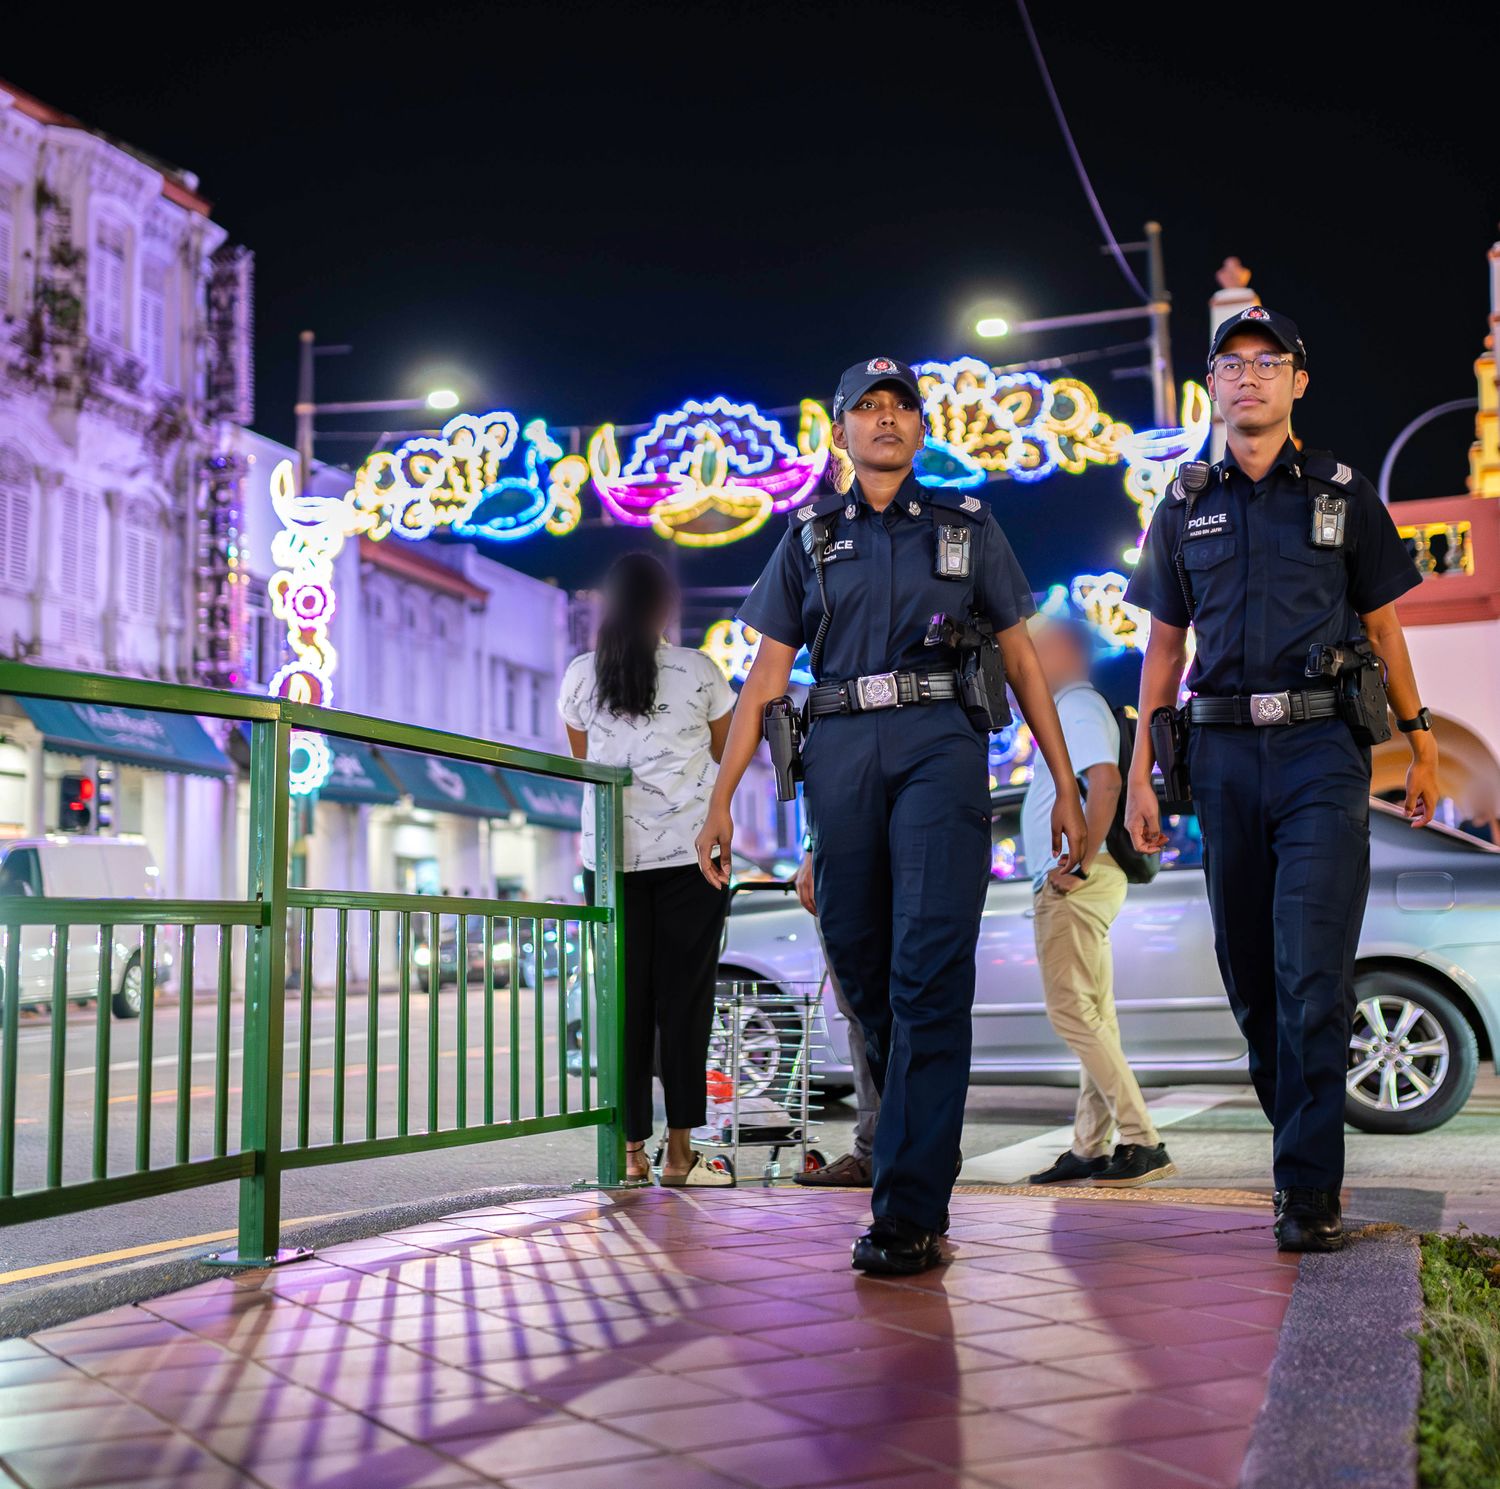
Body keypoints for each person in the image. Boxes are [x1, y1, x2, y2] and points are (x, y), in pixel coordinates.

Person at [696, 356, 1087, 1274]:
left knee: (927, 976)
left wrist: (1062, 780)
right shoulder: (807, 536)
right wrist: (722, 803)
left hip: (938, 745)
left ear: (920, 429)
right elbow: (765, 677)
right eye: (864, 409)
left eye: (899, 407)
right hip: (837, 753)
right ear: (840, 433)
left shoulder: (966, 527)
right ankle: (908, 1149)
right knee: (864, 965)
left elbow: (1025, 663)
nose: (883, 420)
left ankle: (909, 1207)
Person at [1123, 307, 1436, 1252]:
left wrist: (1420, 741)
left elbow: (1385, 628)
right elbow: (1163, 647)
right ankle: (1297, 1132)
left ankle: (1306, 1190)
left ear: (1299, 381)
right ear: (1211, 387)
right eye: (1232, 364)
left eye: (1270, 363)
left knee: (1311, 977)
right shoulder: (1182, 505)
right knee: (1252, 979)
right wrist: (1141, 768)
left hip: (1319, 756)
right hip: (1219, 759)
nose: (1249, 377)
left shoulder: (1342, 494)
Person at [560, 552, 737, 1187]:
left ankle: (629, 1150)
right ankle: (682, 1150)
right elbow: (725, 755)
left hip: (609, 865)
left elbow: (586, 763)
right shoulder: (699, 671)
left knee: (622, 1006)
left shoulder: (581, 677)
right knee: (684, 1002)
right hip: (692, 859)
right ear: (666, 607)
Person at [1022, 618, 1173, 1188]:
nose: (1021, 666)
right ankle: (1090, 1147)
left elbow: (1105, 783)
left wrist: (1077, 864)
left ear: (1060, 652)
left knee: (1072, 1014)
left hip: (1078, 881)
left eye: (1032, 651)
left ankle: (1142, 1140)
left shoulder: (1076, 704)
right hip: (1088, 877)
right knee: (1093, 1017)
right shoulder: (1075, 705)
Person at [789, 852, 879, 1188]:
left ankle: (904, 1150)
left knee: (893, 1010)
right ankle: (874, 1151)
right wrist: (813, 849)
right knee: (862, 1013)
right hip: (842, 860)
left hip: (876, 858)